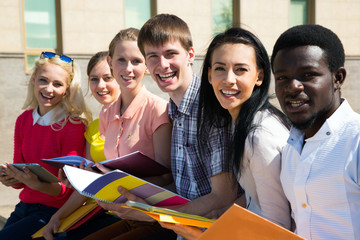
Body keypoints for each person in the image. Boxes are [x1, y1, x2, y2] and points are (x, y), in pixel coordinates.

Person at [94, 14, 238, 240]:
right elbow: (182, 185)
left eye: (170, 54)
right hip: (180, 229)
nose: (162, 65)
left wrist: (151, 213)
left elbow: (222, 196)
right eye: (153, 56)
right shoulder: (173, 108)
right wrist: (131, 199)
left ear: (190, 55)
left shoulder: (211, 110)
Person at [159, 27, 292, 239]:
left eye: (240, 70)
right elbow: (254, 195)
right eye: (220, 68)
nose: (229, 79)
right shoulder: (238, 121)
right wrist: (221, 215)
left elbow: (278, 226)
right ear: (209, 75)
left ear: (259, 76)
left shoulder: (261, 135)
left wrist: (205, 236)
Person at [82, 28, 173, 240]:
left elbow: (168, 177)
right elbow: (111, 166)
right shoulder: (106, 112)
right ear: (110, 62)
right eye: (121, 60)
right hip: (124, 214)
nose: (128, 68)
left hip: (155, 218)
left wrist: (119, 188)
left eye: (136, 61)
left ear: (148, 65)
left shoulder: (158, 109)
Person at [271, 24, 360, 240]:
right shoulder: (291, 147)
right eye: (282, 77)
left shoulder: (356, 141)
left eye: (308, 75)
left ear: (337, 78)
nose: (293, 86)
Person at [0, 52, 91, 240]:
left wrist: (33, 183)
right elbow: (20, 171)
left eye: (57, 84)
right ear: (33, 79)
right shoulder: (23, 120)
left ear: (67, 89)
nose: (49, 89)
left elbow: (67, 188)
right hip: (24, 205)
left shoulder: (73, 125)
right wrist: (11, 178)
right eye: (43, 80)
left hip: (53, 211)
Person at [43, 51, 121, 240]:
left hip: (128, 212)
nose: (100, 85)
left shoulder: (138, 119)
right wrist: (57, 216)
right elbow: (87, 186)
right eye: (94, 79)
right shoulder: (93, 128)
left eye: (107, 78)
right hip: (96, 210)